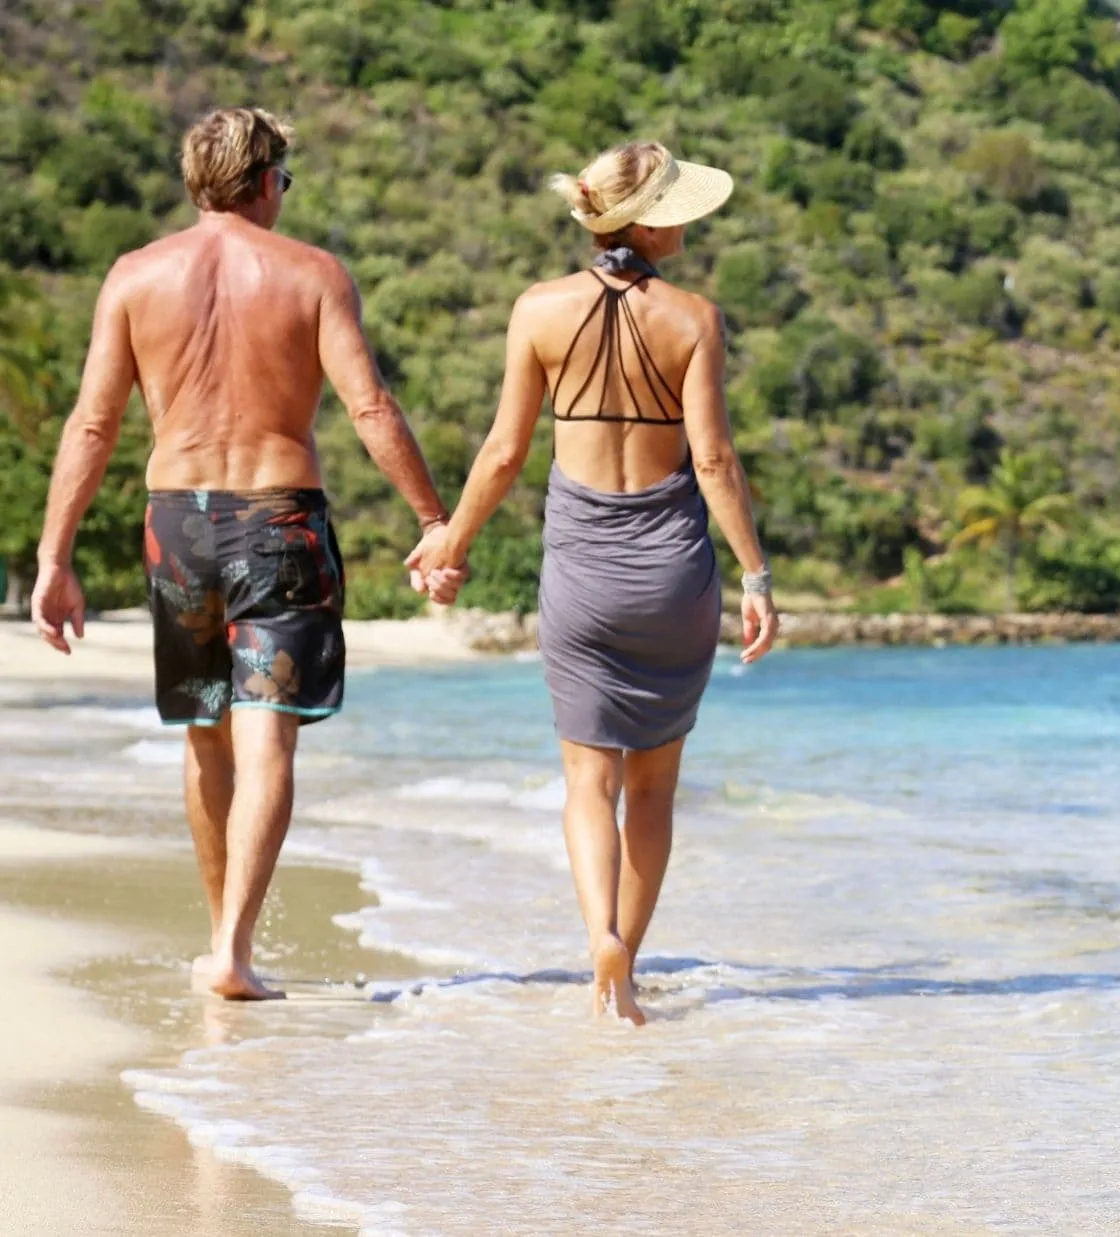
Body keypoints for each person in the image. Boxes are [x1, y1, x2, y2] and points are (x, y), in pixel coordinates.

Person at [30, 107, 459, 1000]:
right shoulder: (311, 275)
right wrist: (431, 519)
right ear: (266, 181)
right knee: (267, 742)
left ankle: (220, 938)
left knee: (206, 731)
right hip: (279, 521)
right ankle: (232, 948)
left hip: (177, 525)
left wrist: (54, 556)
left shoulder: (134, 276)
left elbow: (94, 423)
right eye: (284, 181)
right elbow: (370, 407)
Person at [411, 139, 778, 1025]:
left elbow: (503, 453)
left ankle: (598, 939)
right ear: (646, 222)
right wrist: (758, 576)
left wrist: (449, 542)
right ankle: (630, 963)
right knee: (653, 786)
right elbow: (716, 460)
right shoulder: (693, 319)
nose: (691, 221)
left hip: (580, 569)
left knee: (589, 783)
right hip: (671, 571)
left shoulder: (538, 311)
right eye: (679, 208)